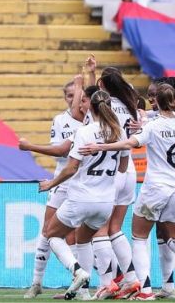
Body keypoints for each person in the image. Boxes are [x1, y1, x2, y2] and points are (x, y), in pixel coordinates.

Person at [79, 84, 175, 301]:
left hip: (156, 187)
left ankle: (145, 291)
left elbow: (128, 143)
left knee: (139, 238)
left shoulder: (153, 126)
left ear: (157, 101)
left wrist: (100, 147)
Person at [37, 90, 129, 301]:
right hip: (105, 201)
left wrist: (51, 183)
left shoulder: (85, 132)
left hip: (81, 197)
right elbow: (123, 167)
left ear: (91, 108)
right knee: (83, 239)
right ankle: (84, 292)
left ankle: (77, 270)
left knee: (51, 234)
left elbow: (70, 168)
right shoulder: (118, 132)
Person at [19, 75, 91, 299]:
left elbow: (62, 150)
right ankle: (36, 283)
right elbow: (59, 150)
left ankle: (82, 287)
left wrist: (30, 146)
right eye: (69, 96)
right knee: (47, 230)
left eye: (77, 95)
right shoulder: (60, 120)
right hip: (62, 180)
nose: (73, 100)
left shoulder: (91, 119)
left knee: (78, 236)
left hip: (83, 182)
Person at [89, 70, 140, 300]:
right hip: (129, 170)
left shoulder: (104, 106)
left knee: (99, 229)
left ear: (102, 85)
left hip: (111, 169)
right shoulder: (132, 105)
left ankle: (105, 283)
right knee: (115, 229)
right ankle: (131, 280)